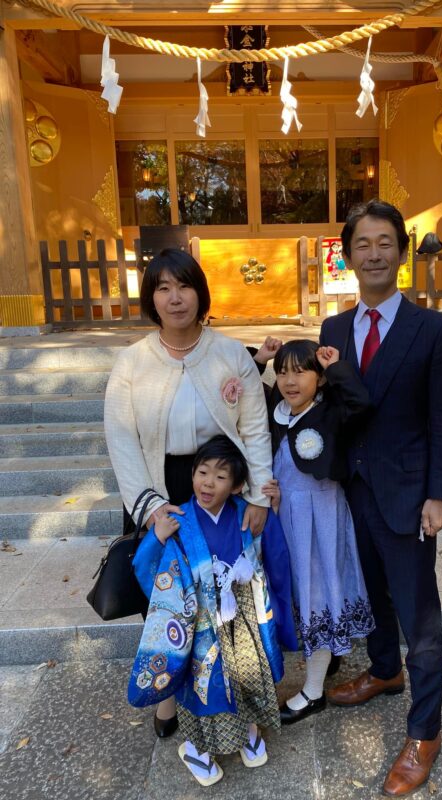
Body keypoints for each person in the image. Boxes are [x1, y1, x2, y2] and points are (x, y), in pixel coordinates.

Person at [320, 200, 442, 797]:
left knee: (418, 615)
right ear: (347, 255)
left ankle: (424, 730)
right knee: (370, 591)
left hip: (408, 494)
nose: (373, 253)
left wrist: (441, 494)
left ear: (400, 253)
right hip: (352, 487)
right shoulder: (332, 329)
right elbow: (321, 403)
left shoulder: (433, 328)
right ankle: (384, 670)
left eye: (384, 243)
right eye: (362, 244)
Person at [104, 248, 273, 739]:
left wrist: (259, 496)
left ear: (200, 292)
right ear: (151, 298)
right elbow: (121, 439)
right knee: (167, 600)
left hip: (219, 485)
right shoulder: (132, 362)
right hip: (161, 487)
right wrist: (151, 506)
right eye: (163, 288)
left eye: (184, 286)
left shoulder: (227, 354)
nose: (175, 298)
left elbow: (256, 430)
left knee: (220, 595)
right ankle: (167, 697)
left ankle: (221, 688)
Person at [129, 436, 296, 787]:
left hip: (243, 617)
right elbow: (150, 572)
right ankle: (195, 748)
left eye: (220, 477)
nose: (208, 482)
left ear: (237, 485)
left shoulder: (244, 511)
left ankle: (248, 730)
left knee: (247, 674)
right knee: (202, 686)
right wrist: (157, 537)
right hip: (199, 623)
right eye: (202, 472)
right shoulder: (179, 518)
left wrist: (272, 513)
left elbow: (272, 552)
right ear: (192, 475)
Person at [261, 339, 376, 724]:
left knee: (319, 592)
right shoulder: (275, 412)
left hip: (321, 515)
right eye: (282, 372)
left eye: (300, 371)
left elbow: (362, 403)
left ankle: (313, 691)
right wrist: (259, 361)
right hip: (287, 517)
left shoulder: (329, 412)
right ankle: (325, 659)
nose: (290, 381)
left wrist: (336, 367)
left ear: (320, 378)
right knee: (302, 590)